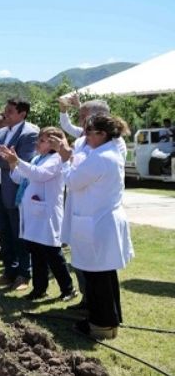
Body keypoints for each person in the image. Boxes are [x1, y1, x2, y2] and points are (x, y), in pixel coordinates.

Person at [59, 114, 133, 340]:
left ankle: (101, 325)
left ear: (104, 134)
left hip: (97, 222)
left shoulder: (100, 157)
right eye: (87, 131)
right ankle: (111, 319)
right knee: (106, 275)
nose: (87, 136)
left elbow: (71, 181)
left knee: (96, 277)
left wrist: (64, 159)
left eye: (92, 132)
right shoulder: (110, 152)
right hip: (101, 219)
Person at [2, 127, 77, 302]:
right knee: (36, 253)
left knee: (53, 253)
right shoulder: (38, 158)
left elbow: (40, 175)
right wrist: (13, 163)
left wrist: (18, 161)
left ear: (53, 143)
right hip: (34, 213)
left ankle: (68, 288)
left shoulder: (56, 159)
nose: (38, 143)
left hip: (47, 213)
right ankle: (39, 288)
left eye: (42, 140)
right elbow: (19, 178)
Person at [0, 98, 38, 291]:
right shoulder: (1, 132)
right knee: (4, 234)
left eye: (11, 111)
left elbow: (21, 162)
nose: (6, 113)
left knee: (19, 234)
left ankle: (24, 274)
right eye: (5, 110)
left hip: (15, 191)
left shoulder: (30, 133)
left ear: (23, 114)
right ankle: (9, 272)